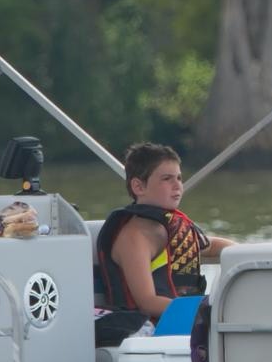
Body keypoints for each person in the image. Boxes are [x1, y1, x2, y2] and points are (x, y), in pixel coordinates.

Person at [94, 142, 234, 335]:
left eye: (179, 178)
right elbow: (147, 302)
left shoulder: (171, 228)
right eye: (167, 179)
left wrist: (247, 253)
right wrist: (207, 311)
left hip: (187, 320)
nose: (177, 185)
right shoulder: (134, 237)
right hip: (154, 330)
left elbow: (211, 246)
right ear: (139, 186)